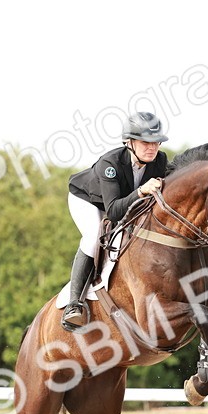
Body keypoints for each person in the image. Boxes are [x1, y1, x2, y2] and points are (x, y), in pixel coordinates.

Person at [62, 111, 170, 331]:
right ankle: (74, 305)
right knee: (93, 237)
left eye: (156, 142)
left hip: (123, 203)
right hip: (89, 201)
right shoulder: (109, 164)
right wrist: (140, 191)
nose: (152, 147)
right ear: (129, 142)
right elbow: (113, 212)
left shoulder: (160, 161)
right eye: (145, 142)